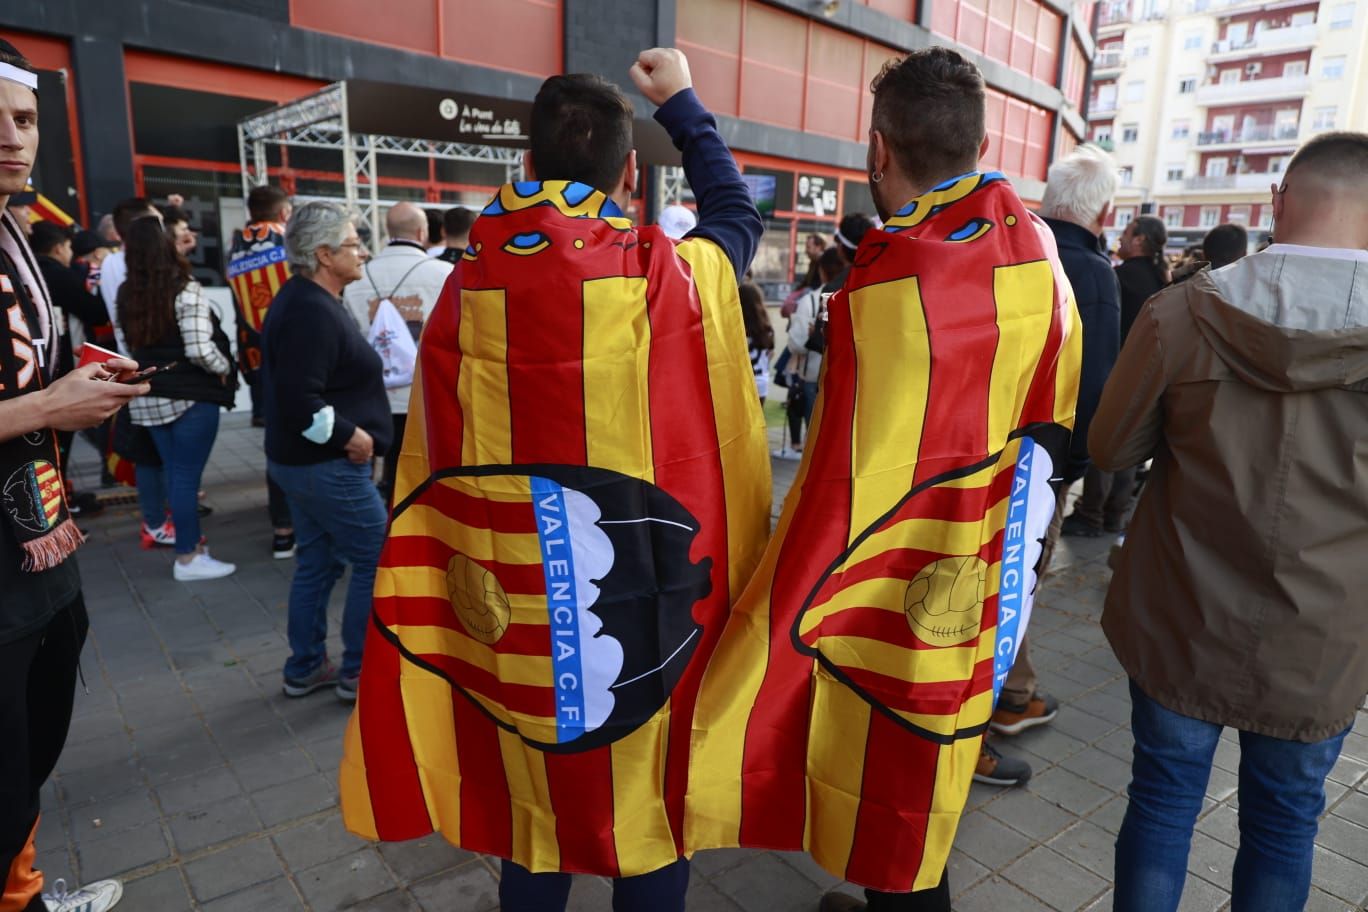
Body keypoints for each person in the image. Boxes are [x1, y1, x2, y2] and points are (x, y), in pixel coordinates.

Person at [339, 48, 766, 912]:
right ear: (629, 172)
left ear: (527, 165)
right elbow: (733, 213)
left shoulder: (466, 286)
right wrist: (682, 101)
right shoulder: (670, 276)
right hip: (642, 610)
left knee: (530, 809)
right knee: (647, 807)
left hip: (517, 611)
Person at [1091, 132, 1368, 912]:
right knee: (1286, 827)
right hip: (1324, 639)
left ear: (1278, 203)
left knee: (1162, 803)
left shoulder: (1181, 312)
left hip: (1183, 616)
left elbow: (1112, 445)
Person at [0, 37, 148, 912]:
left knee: (28, 750)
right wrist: (48, 409)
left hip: (41, 545)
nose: (13, 140)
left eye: (23, 120)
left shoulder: (21, 235)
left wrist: (87, 383)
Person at [982, 143, 1121, 788]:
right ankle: (986, 718)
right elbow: (1093, 382)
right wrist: (1080, 463)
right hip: (1044, 460)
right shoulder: (1092, 273)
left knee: (993, 579)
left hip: (981, 452)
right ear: (1106, 213)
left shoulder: (1008, 242)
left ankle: (1013, 695)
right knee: (1013, 581)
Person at [263, 201, 390, 703]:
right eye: (354, 242)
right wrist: (350, 436)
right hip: (324, 466)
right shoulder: (309, 310)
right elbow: (300, 399)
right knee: (376, 556)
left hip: (305, 464)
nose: (362, 250)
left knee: (318, 562)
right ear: (323, 254)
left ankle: (307, 665)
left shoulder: (308, 300)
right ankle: (358, 671)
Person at [118, 217, 237, 581]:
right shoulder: (184, 286)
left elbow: (126, 345)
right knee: (185, 478)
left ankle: (191, 548)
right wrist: (223, 368)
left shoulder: (126, 292)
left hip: (149, 394)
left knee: (175, 475)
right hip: (191, 394)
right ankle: (188, 556)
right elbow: (201, 348)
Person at [1060, 214, 1165, 540]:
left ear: (1139, 241)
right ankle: (1115, 516)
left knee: (1103, 446)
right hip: (1148, 377)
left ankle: (1090, 515)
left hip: (1117, 372)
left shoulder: (1118, 277)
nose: (1120, 236)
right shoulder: (1163, 279)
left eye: (1128, 232)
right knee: (1129, 448)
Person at [340, 201, 453, 500]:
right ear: (421, 232)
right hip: (427, 394)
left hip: (374, 394)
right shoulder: (444, 273)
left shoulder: (356, 277)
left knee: (385, 472)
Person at [225, 185, 296, 558]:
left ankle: (281, 528)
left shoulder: (235, 247)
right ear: (283, 212)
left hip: (255, 356)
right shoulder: (289, 242)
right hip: (294, 353)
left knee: (275, 443)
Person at [30, 222, 110, 518]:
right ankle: (59, 507)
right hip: (59, 372)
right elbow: (95, 311)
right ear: (58, 248)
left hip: (30, 373)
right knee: (58, 444)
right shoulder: (55, 274)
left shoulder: (20, 269)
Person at [774, 246, 841, 460]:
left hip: (814, 373)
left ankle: (804, 451)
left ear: (822, 270)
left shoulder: (812, 300)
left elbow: (796, 343)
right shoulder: (859, 294)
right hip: (846, 375)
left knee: (813, 428)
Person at [738, 280, 773, 405]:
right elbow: (770, 354)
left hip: (743, 382)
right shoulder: (767, 329)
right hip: (762, 382)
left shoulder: (739, 330)